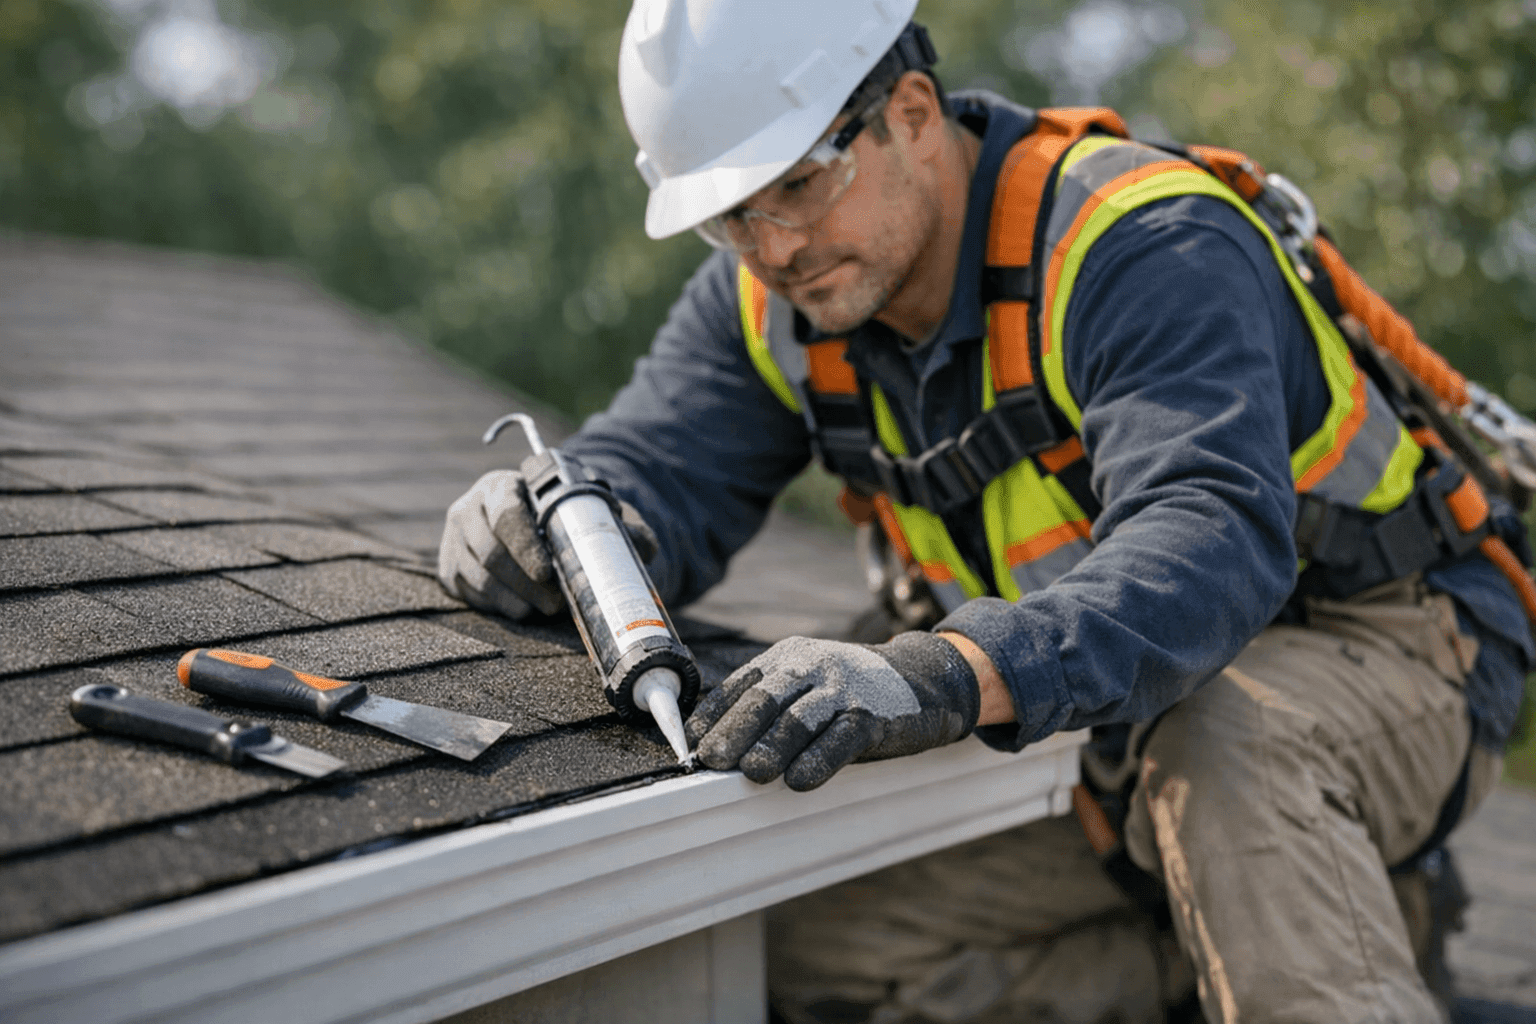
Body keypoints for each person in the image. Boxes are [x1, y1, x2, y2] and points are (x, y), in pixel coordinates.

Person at [438, 3, 1534, 1021]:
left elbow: (1208, 543)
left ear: (909, 116)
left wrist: (948, 672)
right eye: (728, 216)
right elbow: (657, 472)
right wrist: (568, 533)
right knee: (799, 937)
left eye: (794, 186)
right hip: (1097, 706)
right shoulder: (775, 295)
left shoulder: (1138, 244)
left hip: (1383, 644)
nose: (770, 248)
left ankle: (1301, 928)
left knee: (1229, 743)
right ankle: (1239, 944)